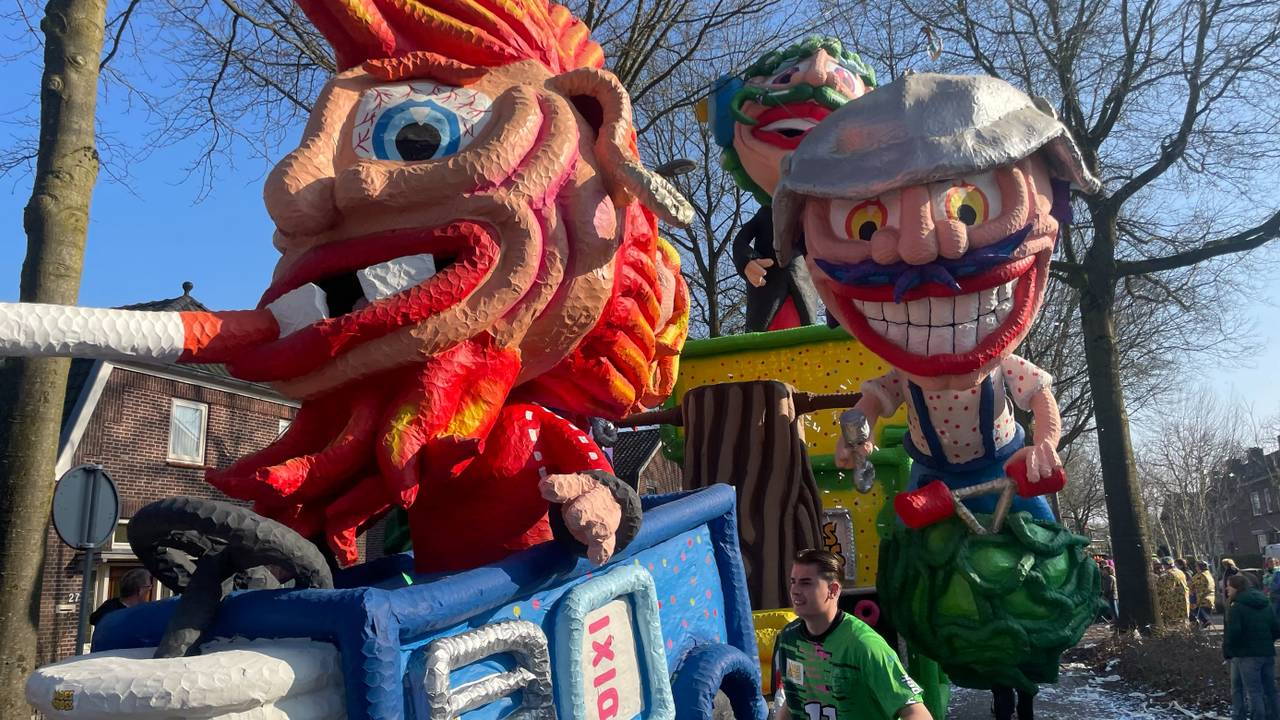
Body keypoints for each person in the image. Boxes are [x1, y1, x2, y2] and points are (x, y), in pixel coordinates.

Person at [773, 549, 932, 719]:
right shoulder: (789, 638)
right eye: (793, 581)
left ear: (833, 590)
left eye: (806, 583)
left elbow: (918, 713)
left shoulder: (864, 645)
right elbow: (794, 699)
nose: (795, 590)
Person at [1223, 574, 1280, 720]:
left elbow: (1233, 633)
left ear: (1236, 588)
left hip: (1245, 654)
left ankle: (1252, 716)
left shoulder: (1236, 606)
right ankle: (1274, 716)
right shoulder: (1265, 602)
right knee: (1270, 689)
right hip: (1267, 652)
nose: (1226, 588)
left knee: (1252, 691)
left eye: (1229, 586)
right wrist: (1266, 642)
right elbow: (1276, 628)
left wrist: (1229, 649)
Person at [89, 568, 153, 626]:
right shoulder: (110, 610)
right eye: (149, 587)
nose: (149, 590)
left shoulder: (110, 606)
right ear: (140, 590)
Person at [1156, 557, 1189, 630]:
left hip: (1172, 605)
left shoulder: (1166, 575)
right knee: (1183, 624)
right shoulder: (1180, 572)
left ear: (1165, 565)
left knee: (1173, 626)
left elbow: (1159, 590)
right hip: (1184, 602)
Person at [1191, 560, 1217, 629]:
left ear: (1199, 567)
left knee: (1189, 606)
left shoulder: (1201, 575)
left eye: (1196, 566)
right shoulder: (1208, 574)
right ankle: (1203, 621)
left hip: (1203, 599)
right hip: (1210, 599)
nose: (1195, 568)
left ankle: (1203, 621)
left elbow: (1192, 585)